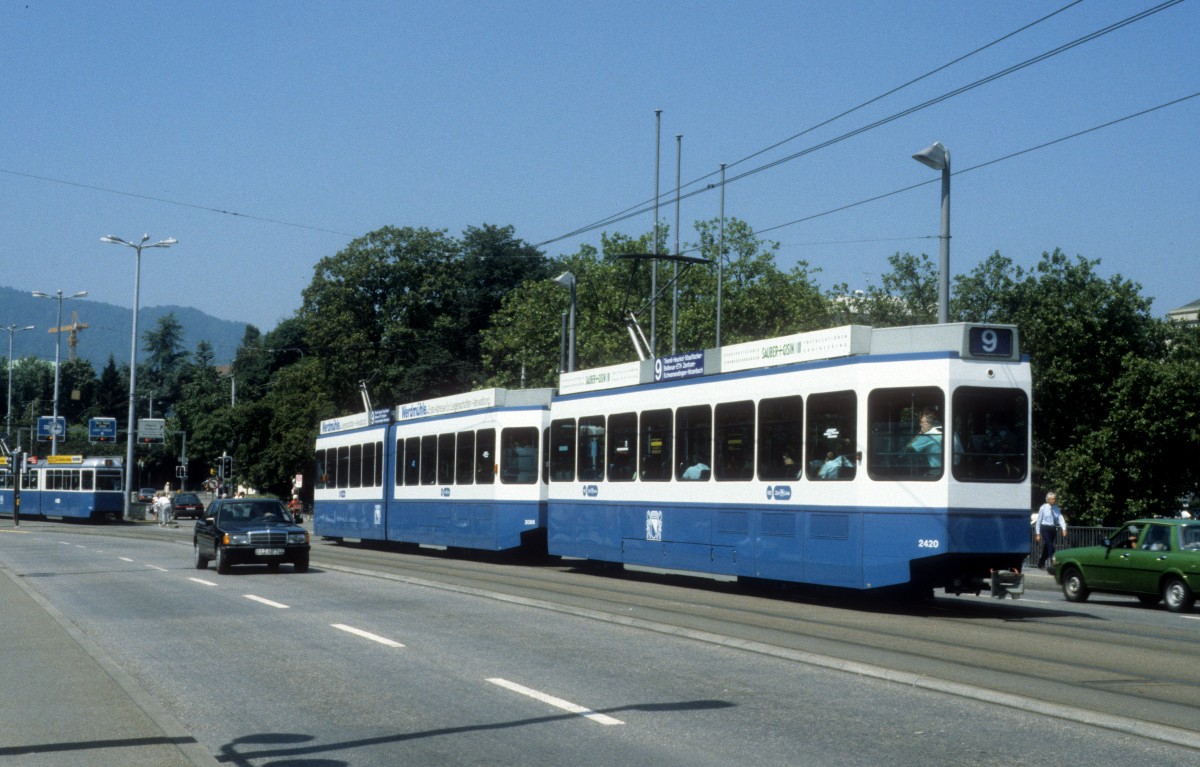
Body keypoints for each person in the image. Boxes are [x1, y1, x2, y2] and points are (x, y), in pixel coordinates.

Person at [1034, 491, 1067, 570]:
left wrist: (1064, 529)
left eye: (1054, 499)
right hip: (1045, 528)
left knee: (1047, 547)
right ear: (1048, 500)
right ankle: (1054, 562)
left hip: (1053, 529)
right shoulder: (1043, 508)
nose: (1053, 500)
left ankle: (1040, 563)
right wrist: (1038, 534)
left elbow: (1060, 519)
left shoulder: (1056, 508)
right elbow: (1038, 521)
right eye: (1052, 499)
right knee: (1050, 546)